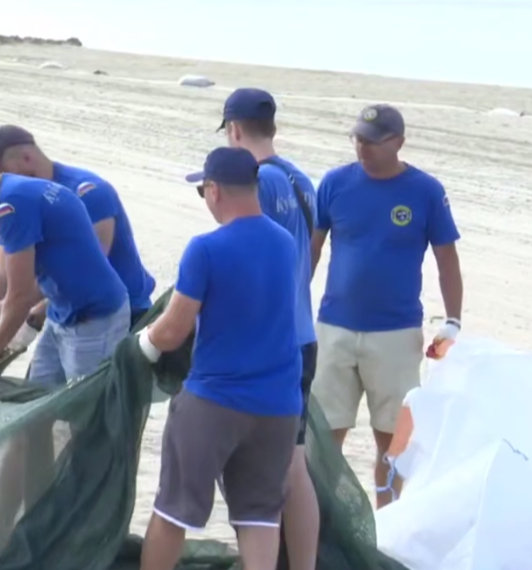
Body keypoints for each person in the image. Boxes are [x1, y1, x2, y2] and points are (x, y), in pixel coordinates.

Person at [0, 132, 131, 540]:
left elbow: (19, 296)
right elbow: (47, 275)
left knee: (87, 430)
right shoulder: (29, 191)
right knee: (34, 419)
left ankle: (87, 531)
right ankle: (27, 520)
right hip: (62, 315)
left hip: (95, 322)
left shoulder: (11, 204)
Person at [137, 147, 302, 570]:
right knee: (260, 514)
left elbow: (174, 330)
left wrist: (142, 344)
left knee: (174, 509)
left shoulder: (206, 248)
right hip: (279, 404)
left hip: (216, 400)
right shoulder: (285, 244)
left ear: (213, 190)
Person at [310, 104, 463, 509]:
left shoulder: (425, 191)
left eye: (373, 141)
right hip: (334, 328)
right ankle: (324, 525)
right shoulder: (334, 183)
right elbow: (311, 249)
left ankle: (386, 524)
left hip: (396, 335)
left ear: (398, 142)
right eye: (358, 138)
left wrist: (452, 321)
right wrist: (289, 307)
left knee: (391, 442)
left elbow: (447, 258)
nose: (363, 147)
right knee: (324, 437)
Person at [220, 88, 320, 570]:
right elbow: (308, 257)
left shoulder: (258, 182)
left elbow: (249, 258)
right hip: (303, 334)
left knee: (263, 468)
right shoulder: (303, 180)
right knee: (293, 464)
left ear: (234, 130)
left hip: (269, 344)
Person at [0, 124, 156, 328]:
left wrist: (31, 308)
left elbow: (87, 269)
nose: (2, 184)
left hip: (122, 313)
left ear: (27, 158)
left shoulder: (89, 192)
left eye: (5, 174)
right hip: (64, 311)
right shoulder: (15, 202)